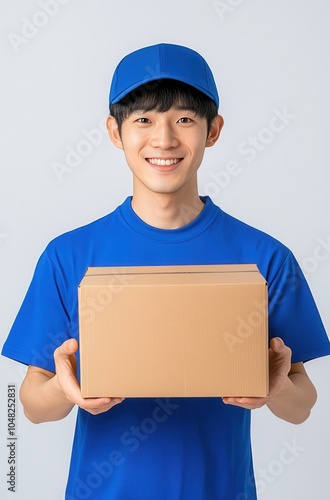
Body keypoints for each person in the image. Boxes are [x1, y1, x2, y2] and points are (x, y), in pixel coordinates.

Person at [2, 43, 330, 500]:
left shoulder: (265, 257)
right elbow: (31, 407)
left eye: (184, 119)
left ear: (213, 130)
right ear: (114, 132)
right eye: (143, 120)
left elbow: (302, 405)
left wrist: (275, 388)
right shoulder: (69, 256)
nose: (164, 139)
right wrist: (66, 389)